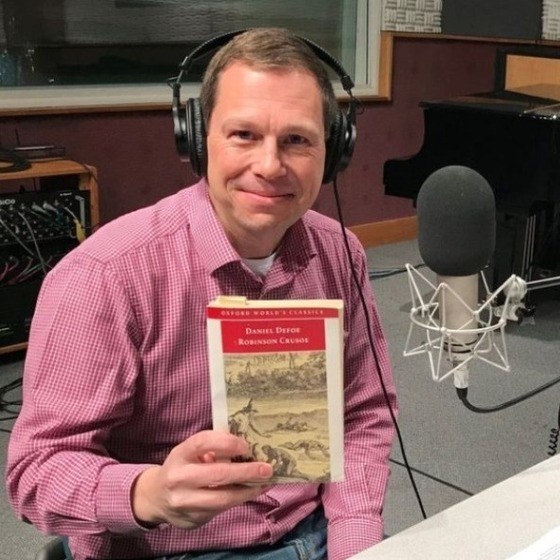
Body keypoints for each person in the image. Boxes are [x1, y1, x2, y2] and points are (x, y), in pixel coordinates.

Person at [6, 27, 397, 560]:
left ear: (335, 151)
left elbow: (363, 413)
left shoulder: (341, 253)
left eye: (297, 140)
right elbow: (36, 473)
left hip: (315, 533)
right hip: (166, 549)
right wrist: (149, 495)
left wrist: (355, 545)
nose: (269, 165)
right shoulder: (105, 276)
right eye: (243, 135)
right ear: (195, 139)